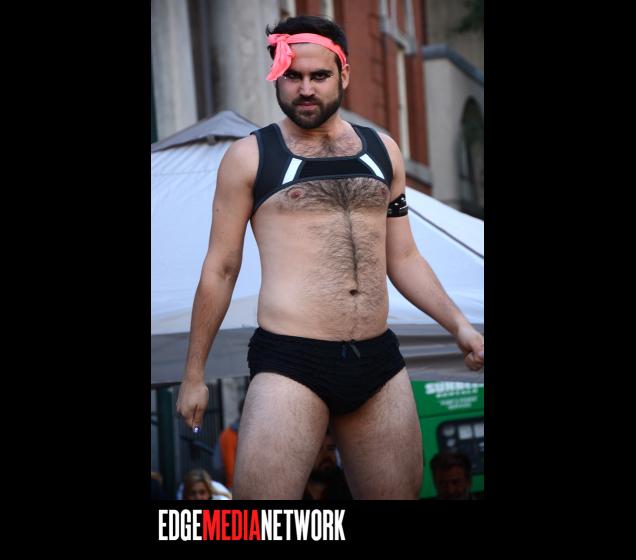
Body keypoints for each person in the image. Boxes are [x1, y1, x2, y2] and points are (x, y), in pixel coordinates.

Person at [176, 15, 484, 500]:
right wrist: (194, 374)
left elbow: (404, 257)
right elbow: (221, 268)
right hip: (292, 362)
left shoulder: (383, 150)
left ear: (344, 75)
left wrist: (460, 326)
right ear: (277, 76)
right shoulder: (250, 157)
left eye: (318, 76)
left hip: (378, 362)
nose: (305, 89)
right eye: (292, 76)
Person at [303, 430, 352, 500]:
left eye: (331, 448)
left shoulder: (351, 488)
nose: (326, 455)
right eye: (318, 450)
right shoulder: (292, 490)